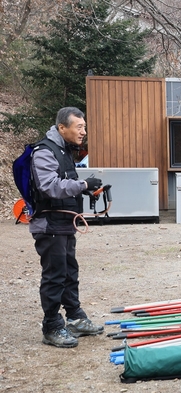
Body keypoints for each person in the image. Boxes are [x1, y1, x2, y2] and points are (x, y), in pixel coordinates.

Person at [30, 107, 104, 348]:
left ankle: (74, 318)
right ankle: (51, 326)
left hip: (65, 223)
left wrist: (86, 188)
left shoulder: (65, 151)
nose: (83, 132)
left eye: (84, 127)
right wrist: (82, 184)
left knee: (69, 272)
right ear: (62, 128)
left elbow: (66, 183)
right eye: (79, 127)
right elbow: (49, 186)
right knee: (54, 276)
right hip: (49, 225)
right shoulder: (44, 151)